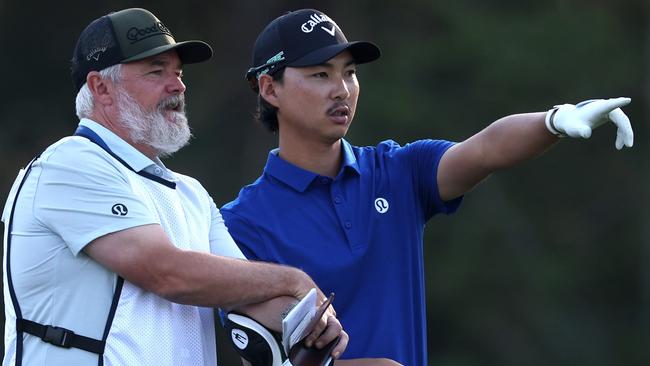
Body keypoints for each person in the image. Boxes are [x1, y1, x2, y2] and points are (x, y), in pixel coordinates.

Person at [220, 8, 635, 366]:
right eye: (319, 74)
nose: (341, 89)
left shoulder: (398, 170)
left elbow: (485, 149)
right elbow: (261, 355)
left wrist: (553, 121)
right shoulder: (238, 225)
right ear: (270, 88)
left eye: (349, 73)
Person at [1, 8, 349, 366]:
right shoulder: (70, 162)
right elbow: (166, 273)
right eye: (157, 71)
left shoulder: (190, 193)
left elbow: (246, 294)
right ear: (100, 88)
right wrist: (294, 280)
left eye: (178, 73)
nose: (178, 86)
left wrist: (310, 320)